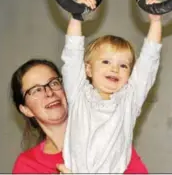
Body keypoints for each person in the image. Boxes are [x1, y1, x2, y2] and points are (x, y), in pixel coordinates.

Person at [61, 0, 162, 173]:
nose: (115, 69)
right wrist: (76, 17)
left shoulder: (128, 101)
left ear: (130, 75)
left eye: (123, 65)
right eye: (106, 62)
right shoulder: (78, 93)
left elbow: (148, 62)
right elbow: (72, 56)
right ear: (88, 70)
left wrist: (155, 22)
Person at [11, 59, 149, 174]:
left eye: (53, 83)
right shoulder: (27, 165)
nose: (49, 92)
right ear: (26, 109)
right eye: (36, 90)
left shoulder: (109, 138)